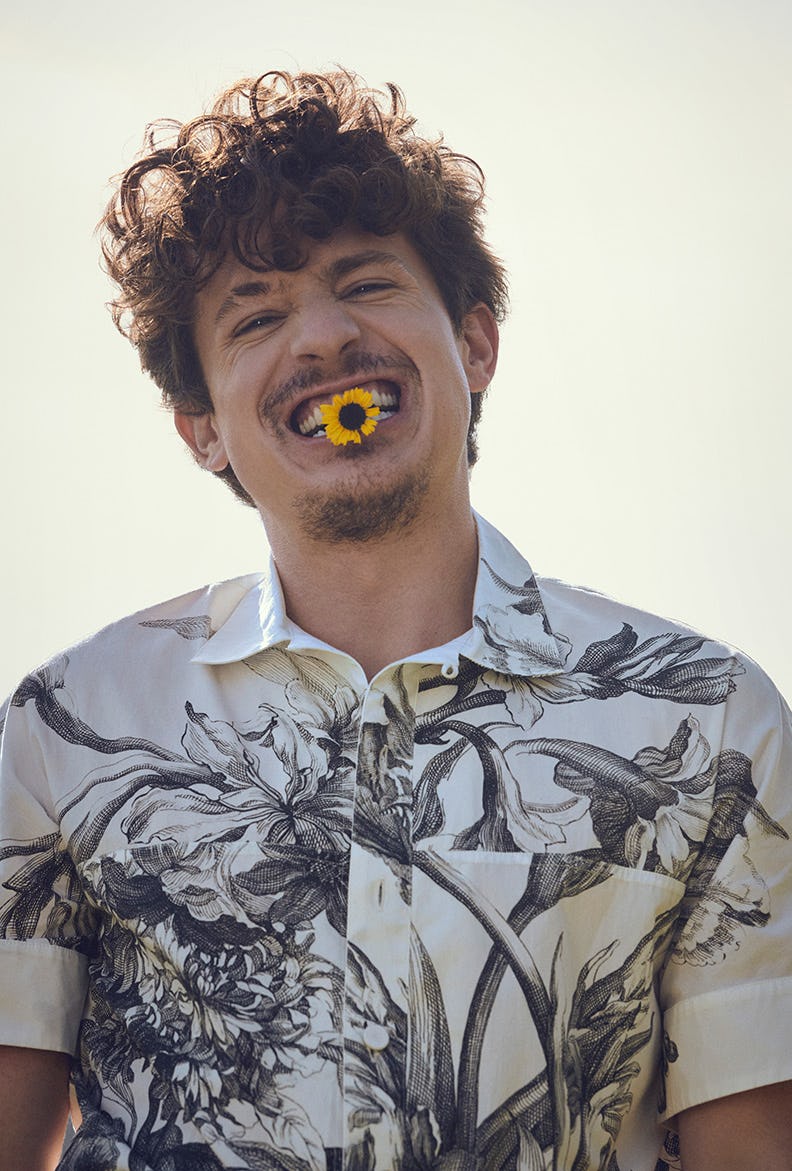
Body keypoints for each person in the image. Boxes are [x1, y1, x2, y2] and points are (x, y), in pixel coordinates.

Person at [0, 70, 790, 1171]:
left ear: (476, 347)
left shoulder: (711, 721)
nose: (322, 336)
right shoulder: (64, 729)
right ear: (201, 430)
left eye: (365, 283)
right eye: (259, 316)